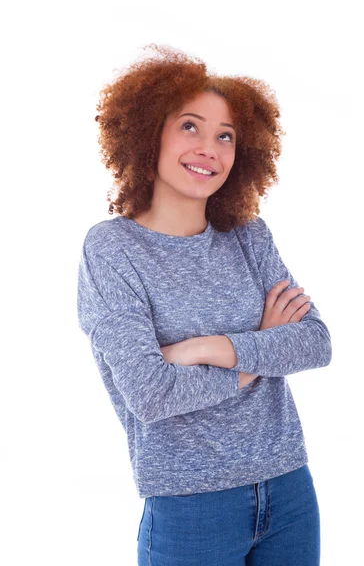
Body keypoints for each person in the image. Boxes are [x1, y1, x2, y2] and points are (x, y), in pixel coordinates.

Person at [77, 43, 332, 565]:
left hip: (289, 489)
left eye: (226, 136)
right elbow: (149, 392)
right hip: (190, 504)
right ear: (149, 134)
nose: (209, 148)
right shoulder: (112, 248)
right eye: (190, 126)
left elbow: (314, 342)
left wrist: (204, 347)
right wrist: (259, 352)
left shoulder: (248, 236)